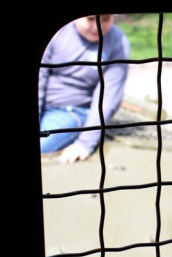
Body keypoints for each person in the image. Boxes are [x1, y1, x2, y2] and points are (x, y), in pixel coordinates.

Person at [39, 14, 131, 164]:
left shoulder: (117, 42)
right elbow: (40, 79)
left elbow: (108, 96)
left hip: (73, 112)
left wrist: (85, 143)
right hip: (44, 105)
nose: (97, 27)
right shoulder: (59, 34)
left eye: (105, 20)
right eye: (90, 19)